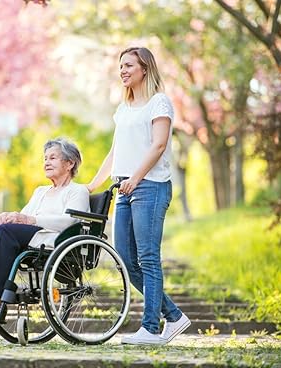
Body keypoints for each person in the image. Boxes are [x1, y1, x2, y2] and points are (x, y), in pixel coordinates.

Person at [87, 47, 190, 345]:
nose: (123, 70)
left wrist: (136, 177)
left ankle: (151, 328)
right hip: (125, 188)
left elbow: (158, 146)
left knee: (147, 258)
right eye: (121, 66)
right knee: (126, 260)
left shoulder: (159, 103)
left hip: (151, 187)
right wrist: (92, 185)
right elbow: (116, 152)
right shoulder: (124, 109)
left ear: (145, 68)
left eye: (129, 65)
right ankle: (173, 316)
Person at [0, 138, 90, 321]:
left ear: (70, 163)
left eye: (53, 158)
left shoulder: (77, 191)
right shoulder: (41, 191)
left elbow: (70, 222)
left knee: (5, 232)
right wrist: (9, 216)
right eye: (45, 158)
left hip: (53, 239)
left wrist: (31, 219)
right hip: (32, 236)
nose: (46, 162)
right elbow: (23, 216)